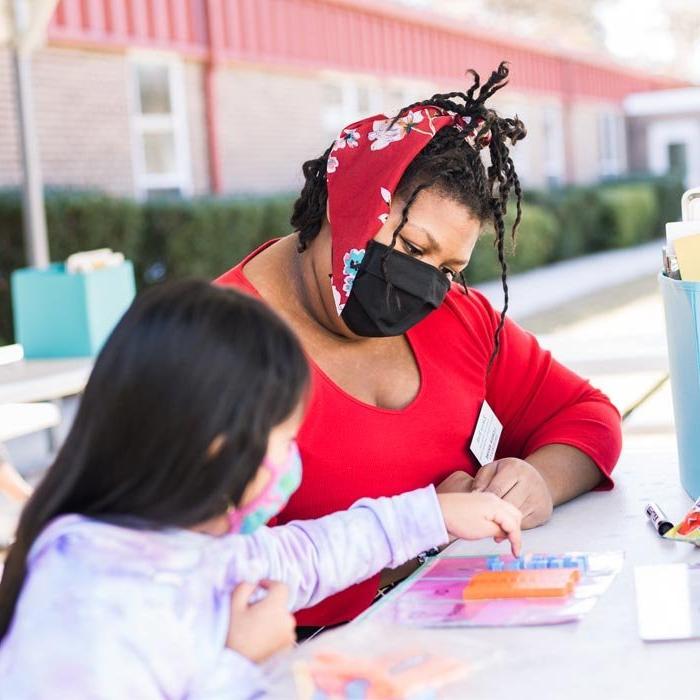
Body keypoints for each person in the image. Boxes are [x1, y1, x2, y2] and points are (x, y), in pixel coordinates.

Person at [216, 62, 623, 629]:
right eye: (411, 246)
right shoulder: (211, 347)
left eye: (450, 268)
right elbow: (196, 572)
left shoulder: (456, 318)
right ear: (349, 202)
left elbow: (588, 417)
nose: (426, 285)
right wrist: (416, 536)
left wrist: (534, 484)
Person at [0, 280, 522, 698]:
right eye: (286, 439)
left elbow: (305, 555)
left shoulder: (191, 546)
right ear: (220, 447)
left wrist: (433, 515)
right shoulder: (86, 613)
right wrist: (241, 665)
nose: (292, 460)